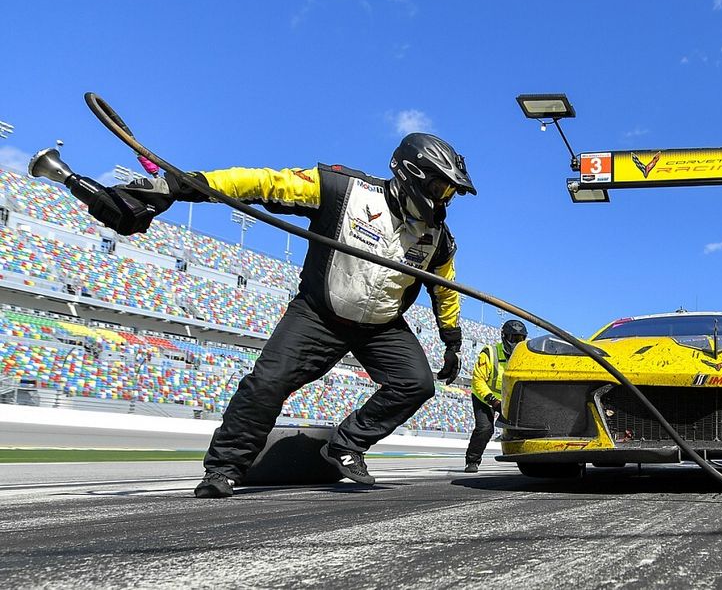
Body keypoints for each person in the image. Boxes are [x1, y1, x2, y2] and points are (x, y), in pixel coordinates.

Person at [108, 133, 476, 497]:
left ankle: (346, 445)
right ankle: (223, 469)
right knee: (266, 383)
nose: (445, 200)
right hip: (319, 313)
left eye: (451, 193)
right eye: (443, 188)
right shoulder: (342, 189)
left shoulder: (440, 240)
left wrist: (452, 340)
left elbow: (445, 288)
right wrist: (181, 184)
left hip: (381, 326)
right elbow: (261, 182)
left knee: (417, 383)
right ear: (413, 174)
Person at [464, 319, 527, 473]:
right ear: (504, 337)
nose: (516, 342)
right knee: (485, 428)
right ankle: (472, 461)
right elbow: (477, 380)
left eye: (520, 339)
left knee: (526, 427)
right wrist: (492, 400)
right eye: (513, 338)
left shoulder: (524, 357)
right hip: (485, 398)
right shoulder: (489, 353)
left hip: (509, 401)